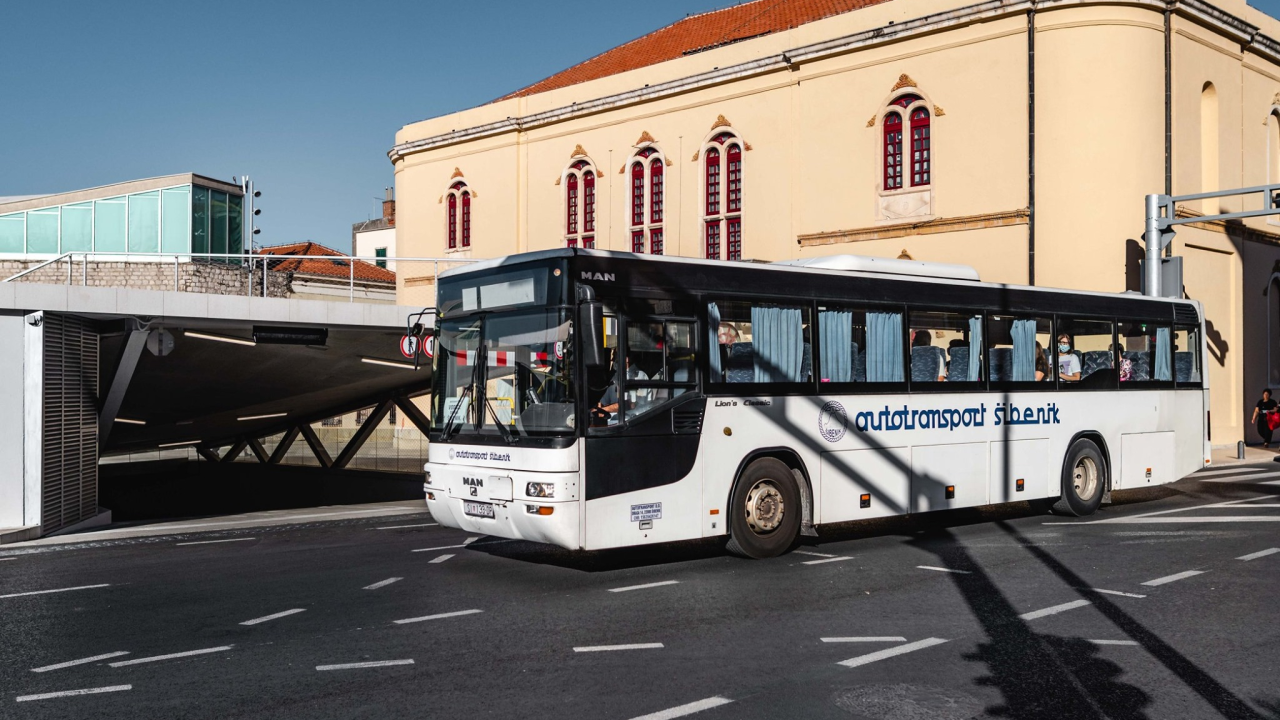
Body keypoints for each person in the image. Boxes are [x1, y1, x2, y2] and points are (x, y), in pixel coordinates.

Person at [597, 352, 650, 424]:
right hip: (612, 420)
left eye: (616, 357)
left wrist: (604, 410)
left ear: (626, 359)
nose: (612, 359)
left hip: (633, 421)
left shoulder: (639, 377)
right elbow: (604, 402)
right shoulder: (614, 377)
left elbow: (631, 405)